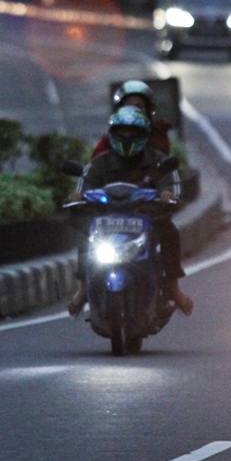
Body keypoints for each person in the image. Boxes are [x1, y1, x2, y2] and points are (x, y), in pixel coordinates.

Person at [69, 105, 193, 317]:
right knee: (86, 241)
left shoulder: (159, 161)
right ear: (112, 134)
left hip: (148, 218)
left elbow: (173, 187)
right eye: (122, 132)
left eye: (132, 132)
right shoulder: (100, 163)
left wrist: (167, 196)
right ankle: (83, 291)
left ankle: (173, 288)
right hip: (107, 220)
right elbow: (84, 186)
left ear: (144, 134)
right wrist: (77, 197)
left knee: (170, 234)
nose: (126, 137)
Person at [91, 80, 173, 158]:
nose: (132, 111)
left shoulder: (158, 137)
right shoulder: (109, 140)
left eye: (139, 107)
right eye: (128, 105)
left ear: (148, 111)